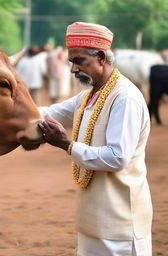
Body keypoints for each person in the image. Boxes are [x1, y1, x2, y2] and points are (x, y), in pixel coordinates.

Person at [34, 22, 152, 255]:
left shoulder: (124, 98)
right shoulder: (88, 96)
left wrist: (66, 145)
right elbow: (49, 112)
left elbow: (117, 158)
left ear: (100, 57)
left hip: (121, 224)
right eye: (72, 62)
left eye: (78, 62)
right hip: (93, 220)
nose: (72, 70)